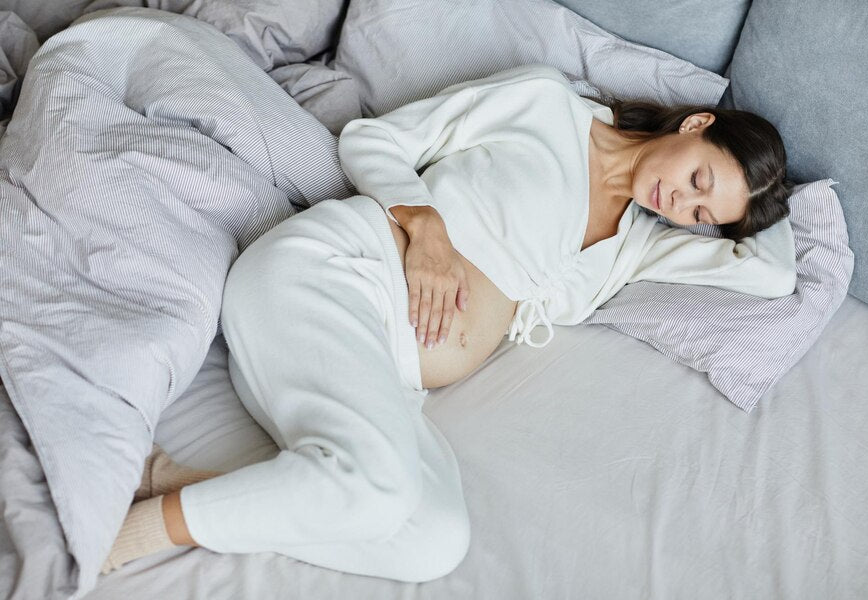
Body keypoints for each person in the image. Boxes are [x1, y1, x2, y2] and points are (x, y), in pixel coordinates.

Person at [101, 63, 796, 579]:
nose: (681, 202)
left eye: (702, 216)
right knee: (382, 488)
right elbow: (373, 140)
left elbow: (774, 273)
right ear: (697, 124)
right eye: (699, 179)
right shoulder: (547, 106)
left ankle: (183, 486)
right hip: (336, 272)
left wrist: (769, 194)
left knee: (434, 539)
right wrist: (427, 227)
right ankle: (128, 539)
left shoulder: (639, 246)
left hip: (384, 371)